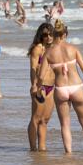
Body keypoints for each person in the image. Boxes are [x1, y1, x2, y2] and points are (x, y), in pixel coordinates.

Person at [38, 20, 83, 153]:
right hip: (76, 87)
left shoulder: (48, 52)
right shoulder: (73, 49)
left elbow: (41, 76)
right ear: (65, 34)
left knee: (65, 125)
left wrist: (39, 88)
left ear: (53, 34)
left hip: (60, 89)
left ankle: (69, 153)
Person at [27, 23, 54, 151]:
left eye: (50, 34)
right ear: (40, 36)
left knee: (45, 120)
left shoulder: (54, 48)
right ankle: (33, 148)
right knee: (36, 118)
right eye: (45, 35)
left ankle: (42, 148)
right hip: (40, 86)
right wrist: (34, 85)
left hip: (51, 87)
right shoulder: (38, 48)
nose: (48, 37)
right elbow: (33, 68)